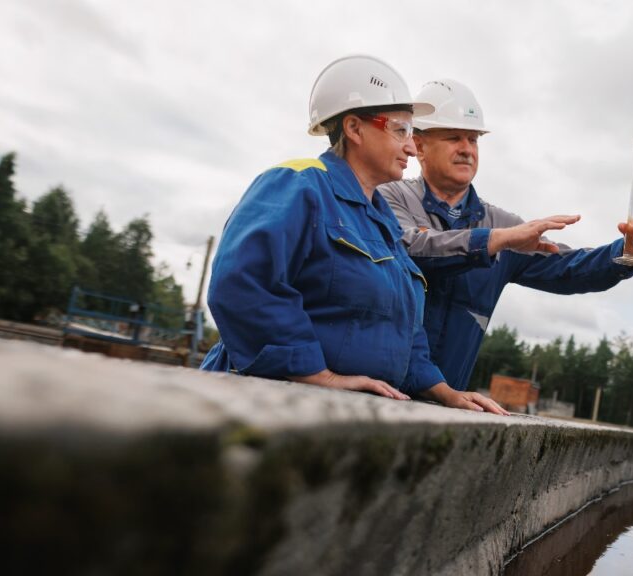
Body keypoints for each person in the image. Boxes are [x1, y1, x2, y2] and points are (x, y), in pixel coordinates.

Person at [201, 57, 507, 415]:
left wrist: (443, 391)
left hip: (338, 418)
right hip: (264, 409)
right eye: (400, 130)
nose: (411, 147)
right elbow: (241, 284)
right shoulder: (299, 184)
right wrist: (317, 374)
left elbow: (402, 328)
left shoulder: (382, 221)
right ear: (354, 128)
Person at [378, 79, 633, 392]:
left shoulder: (501, 225)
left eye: (473, 140)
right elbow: (412, 249)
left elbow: (569, 267)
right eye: (453, 137)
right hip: (379, 395)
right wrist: (495, 240)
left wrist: (626, 251)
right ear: (419, 146)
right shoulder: (388, 199)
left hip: (447, 406)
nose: (466, 149)